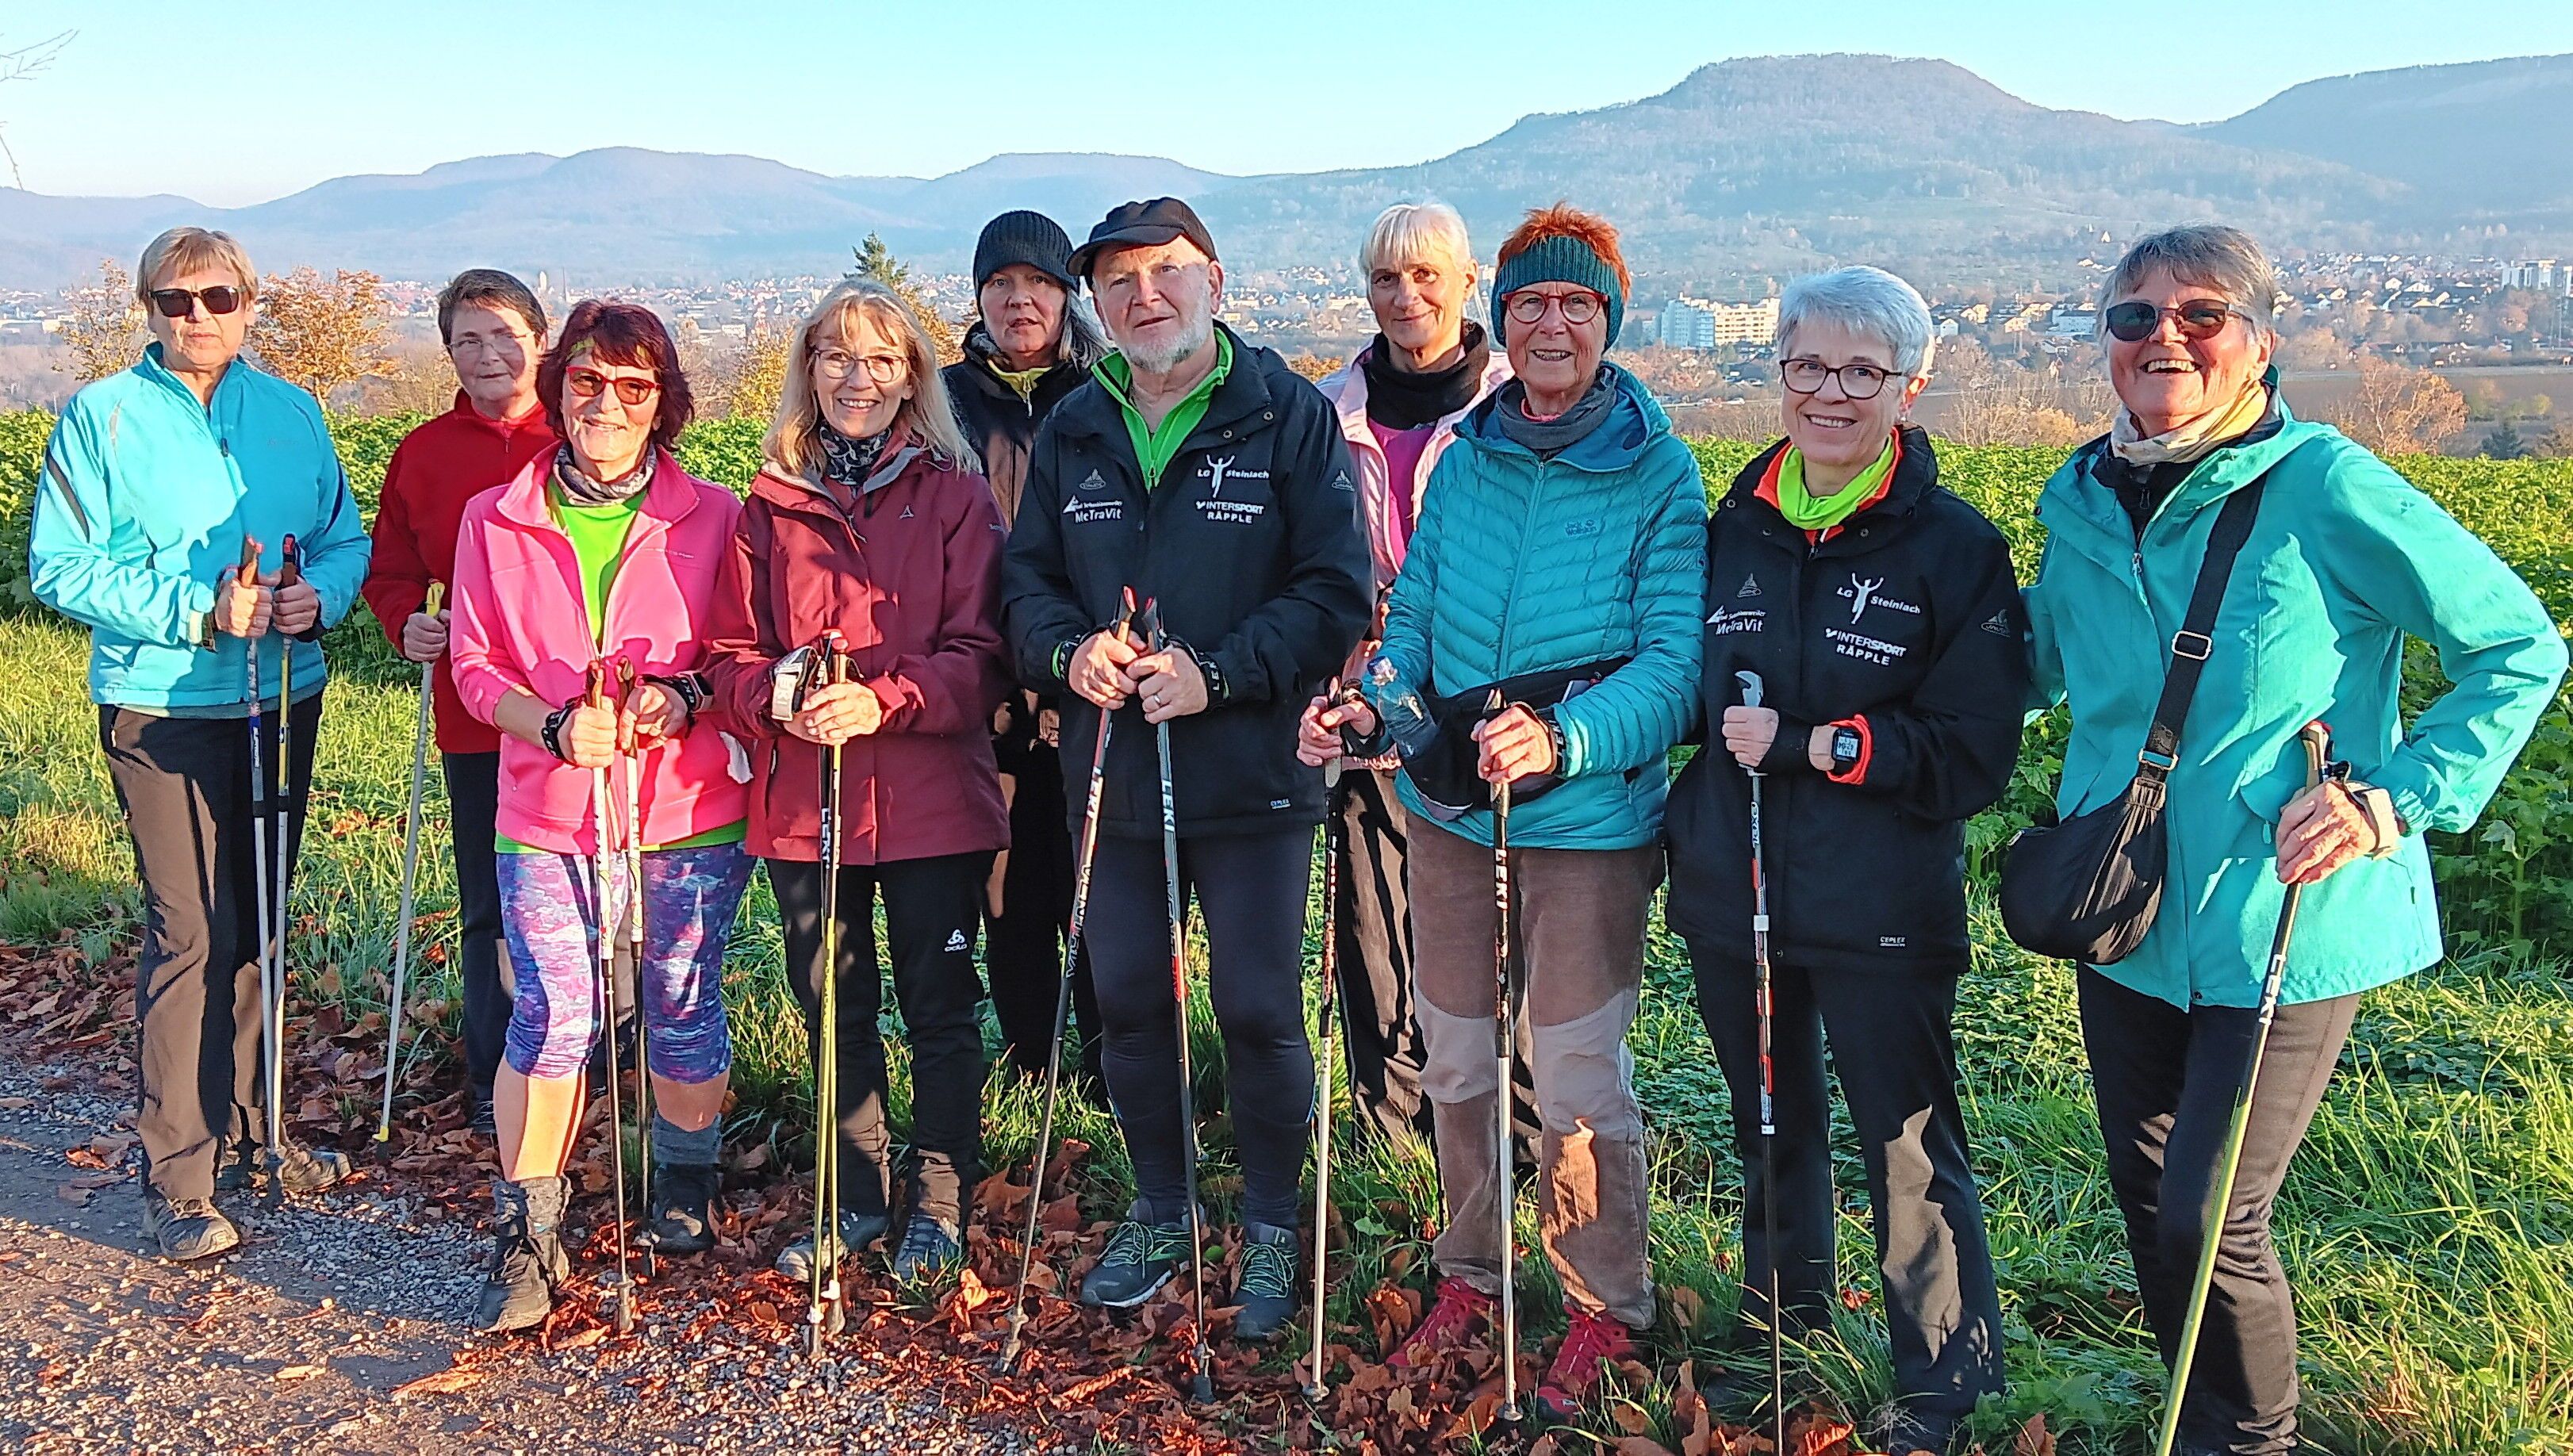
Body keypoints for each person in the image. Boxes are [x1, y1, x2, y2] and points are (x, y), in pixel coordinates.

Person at [2024, 225, 2566, 1456]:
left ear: (2261, 343)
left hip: (2286, 910)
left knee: (2216, 1214)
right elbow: (2042, 664)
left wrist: (2394, 797)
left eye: (2202, 314)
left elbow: (2518, 644)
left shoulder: (2324, 484)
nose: (2164, 335)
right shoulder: (2082, 498)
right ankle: (2197, 1416)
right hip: (2129, 908)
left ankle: (2254, 1441)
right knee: (2153, 1199)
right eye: (2134, 316)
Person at [1306, 204, 1703, 1417]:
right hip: (1449, 808)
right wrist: (1377, 702)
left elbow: (1674, 664)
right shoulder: (1468, 454)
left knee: (1577, 1070)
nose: (1549, 322)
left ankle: (1603, 1305)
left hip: (1585, 825)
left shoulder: (1658, 467)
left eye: (1576, 304)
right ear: (1504, 313)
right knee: (1457, 1051)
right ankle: (1472, 1271)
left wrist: (1569, 738)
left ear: (1608, 321)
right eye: (1530, 301)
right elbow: (1414, 615)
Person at [1663, 266, 2023, 1453]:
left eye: (1861, 373)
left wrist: (1822, 746)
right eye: (1808, 366)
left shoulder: (1956, 549)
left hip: (1881, 901)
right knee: (1768, 1120)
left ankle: (1944, 1383)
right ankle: (1785, 1332)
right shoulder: (1731, 527)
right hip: (1737, 885)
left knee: (1906, 1144)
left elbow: (1975, 755)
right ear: (1776, 373)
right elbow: (1679, 685)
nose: (1830, 392)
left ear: (1907, 388)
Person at [1003, 197, 1371, 1342]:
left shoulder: (1290, 417)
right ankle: (1164, 1209)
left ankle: (1269, 1221)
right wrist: (1071, 652)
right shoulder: (1075, 424)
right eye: (1116, 284)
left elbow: (1334, 593)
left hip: (1255, 773)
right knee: (1127, 1009)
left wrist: (1221, 671)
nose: (1141, 298)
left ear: (1215, 278)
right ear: (1095, 306)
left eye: (1164, 274)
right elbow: (1025, 587)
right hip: (1111, 774)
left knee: (1257, 1009)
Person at [29, 227, 371, 1260]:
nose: (197, 318)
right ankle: (180, 1176)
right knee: (191, 933)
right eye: (173, 301)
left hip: (282, 693)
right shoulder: (102, 415)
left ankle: (255, 1139)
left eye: (216, 297)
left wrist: (325, 600)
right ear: (147, 310)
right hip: (160, 707)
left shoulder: (292, 413)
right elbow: (60, 567)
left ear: (249, 303)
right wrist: (193, 611)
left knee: (258, 923)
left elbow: (345, 537)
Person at [447, 301, 753, 1334]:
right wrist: (547, 723)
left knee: (680, 996)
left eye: (633, 385)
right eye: (586, 380)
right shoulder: (494, 517)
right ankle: (528, 1228)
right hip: (545, 807)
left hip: (688, 806)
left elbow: (739, 649)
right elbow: (475, 664)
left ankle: (684, 1182)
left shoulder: (714, 514)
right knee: (555, 1011)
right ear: (558, 386)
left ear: (663, 399)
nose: (607, 403)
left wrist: (688, 696)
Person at [705, 278, 1010, 1283]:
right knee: (829, 1000)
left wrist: (887, 700)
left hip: (931, 800)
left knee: (937, 1002)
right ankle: (856, 1197)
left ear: (912, 377)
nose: (858, 377)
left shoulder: (958, 496)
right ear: (807, 372)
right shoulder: (770, 505)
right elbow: (725, 655)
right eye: (836, 356)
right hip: (806, 804)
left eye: (881, 359)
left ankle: (938, 1201)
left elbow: (984, 653)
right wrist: (774, 691)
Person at [1306, 201, 1522, 1147]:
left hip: (1482, 701)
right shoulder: (1326, 410)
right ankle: (1389, 1125)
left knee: (1490, 922)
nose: (1406, 297)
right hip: (1365, 697)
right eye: (1387, 279)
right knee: (1375, 920)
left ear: (1467, 281)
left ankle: (1501, 1128)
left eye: (1426, 275)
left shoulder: (1515, 406)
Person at [362, 269, 558, 1136]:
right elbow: (392, 572)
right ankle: (495, 1076)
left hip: (581, 714)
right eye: (466, 340)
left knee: (601, 905)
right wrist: (407, 623)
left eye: (503, 334)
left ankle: (596, 1069)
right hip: (475, 715)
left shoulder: (586, 433)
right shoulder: (423, 453)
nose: (487, 354)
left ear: (539, 340)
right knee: (492, 902)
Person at [941, 209, 1113, 1089]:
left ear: (1065, 296)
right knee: (1007, 894)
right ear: (978, 297)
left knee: (1093, 887)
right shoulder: (942, 404)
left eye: (1039, 283)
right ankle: (1028, 1068)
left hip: (1084, 685)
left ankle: (1099, 1069)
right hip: (983, 689)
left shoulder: (1103, 400)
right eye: (1001, 283)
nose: (1019, 300)